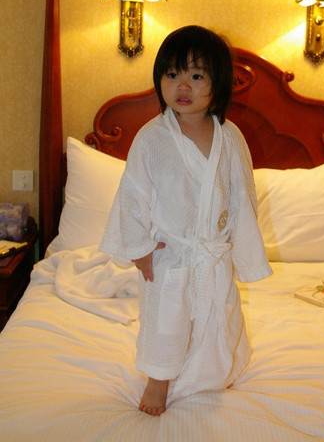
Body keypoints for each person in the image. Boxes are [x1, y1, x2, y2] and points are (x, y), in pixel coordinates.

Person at [100, 25, 272, 416]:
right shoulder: (151, 138)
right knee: (167, 319)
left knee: (218, 313)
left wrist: (246, 258)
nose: (183, 85)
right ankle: (158, 380)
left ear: (219, 83)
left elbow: (243, 199)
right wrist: (139, 249)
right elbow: (132, 195)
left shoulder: (230, 137)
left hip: (212, 254)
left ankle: (215, 369)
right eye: (172, 73)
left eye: (196, 76)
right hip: (169, 254)